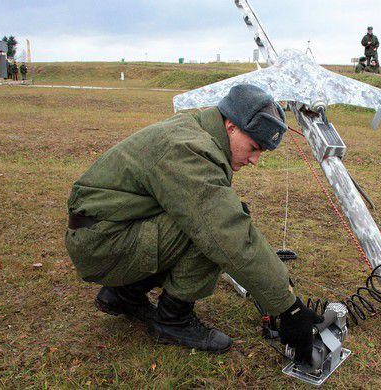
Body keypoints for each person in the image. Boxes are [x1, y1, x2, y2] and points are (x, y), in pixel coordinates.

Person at [65, 84, 323, 362]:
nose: (255, 160)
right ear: (231, 126)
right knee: (210, 230)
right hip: (102, 244)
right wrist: (289, 308)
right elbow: (227, 232)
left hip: (108, 231)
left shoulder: (197, 131)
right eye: (253, 148)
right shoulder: (189, 150)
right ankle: (172, 320)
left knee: (207, 218)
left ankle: (124, 295)